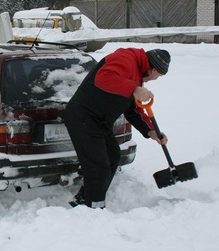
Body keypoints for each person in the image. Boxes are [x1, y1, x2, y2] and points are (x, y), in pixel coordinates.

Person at [64, 48, 171, 209]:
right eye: (160, 75)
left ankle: (85, 200)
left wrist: (150, 131)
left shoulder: (137, 74)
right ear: (154, 69)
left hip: (100, 121)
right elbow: (103, 78)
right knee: (98, 167)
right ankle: (94, 211)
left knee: (112, 157)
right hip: (84, 117)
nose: (157, 79)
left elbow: (133, 110)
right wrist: (135, 89)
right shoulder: (126, 59)